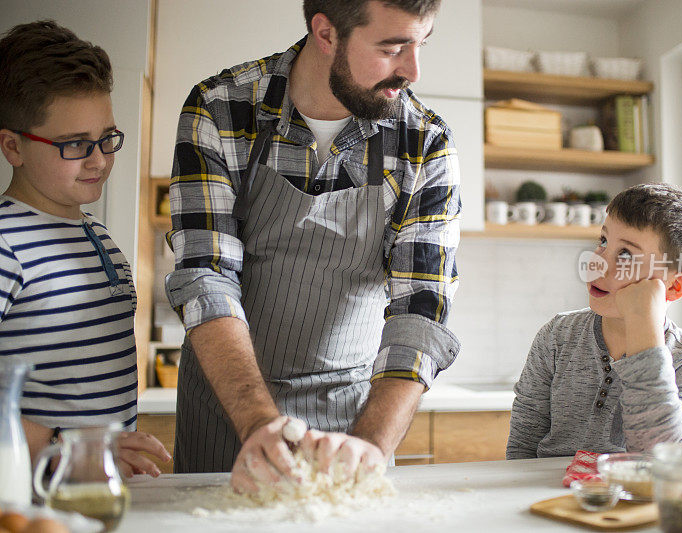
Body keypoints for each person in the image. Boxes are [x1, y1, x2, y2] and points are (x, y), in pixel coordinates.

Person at [166, 0, 461, 490]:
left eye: (420, 45)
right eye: (392, 48)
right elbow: (206, 275)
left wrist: (370, 444)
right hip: (225, 413)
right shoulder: (223, 108)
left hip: (351, 416)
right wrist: (258, 424)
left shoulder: (424, 142)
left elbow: (421, 307)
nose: (412, 70)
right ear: (325, 34)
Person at [0, 20, 170, 477]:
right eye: (75, 144)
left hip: (97, 501)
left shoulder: (97, 235)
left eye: (107, 137)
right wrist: (73, 450)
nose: (99, 159)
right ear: (13, 146)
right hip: (37, 511)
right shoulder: (5, 245)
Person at [507, 183, 682, 459]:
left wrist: (643, 320)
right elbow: (522, 446)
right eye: (603, 241)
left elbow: (666, 458)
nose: (598, 263)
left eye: (626, 254)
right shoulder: (557, 336)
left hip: (634, 501)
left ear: (674, 287)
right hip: (546, 498)